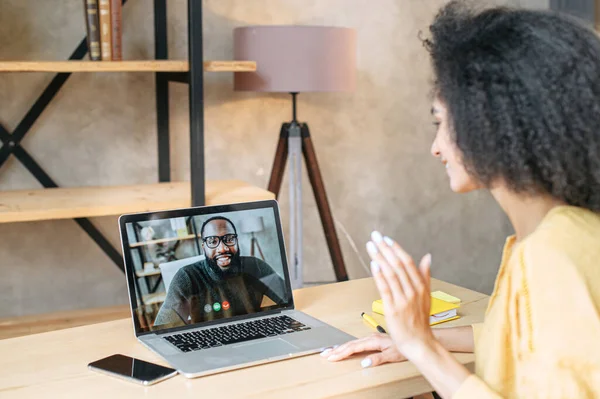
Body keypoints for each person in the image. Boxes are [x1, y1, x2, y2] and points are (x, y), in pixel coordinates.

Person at [322, 2, 600, 398]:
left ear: (489, 121)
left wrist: (422, 346)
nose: (436, 148)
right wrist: (417, 338)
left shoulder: (549, 258)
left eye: (440, 122)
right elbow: (526, 338)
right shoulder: (569, 231)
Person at [154, 216, 286, 327]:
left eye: (229, 239)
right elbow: (162, 329)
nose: (222, 248)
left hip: (254, 335)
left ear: (236, 241)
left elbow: (288, 300)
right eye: (212, 241)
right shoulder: (187, 277)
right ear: (204, 247)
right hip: (209, 345)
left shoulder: (255, 266)